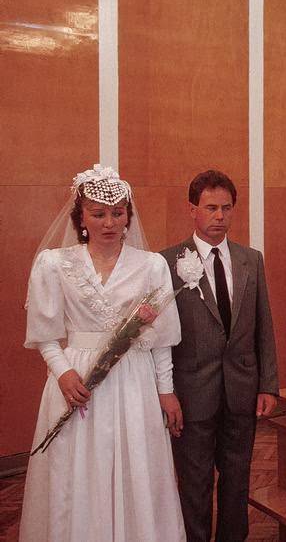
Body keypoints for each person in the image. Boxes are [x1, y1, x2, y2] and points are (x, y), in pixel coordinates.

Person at [20, 164, 186, 541]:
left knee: (135, 466)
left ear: (129, 215)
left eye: (117, 212)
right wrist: (62, 371)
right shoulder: (54, 264)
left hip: (134, 382)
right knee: (77, 468)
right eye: (98, 214)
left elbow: (160, 338)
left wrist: (166, 389)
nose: (109, 222)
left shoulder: (152, 265)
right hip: (75, 379)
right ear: (81, 218)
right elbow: (45, 334)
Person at [161, 169, 278, 542]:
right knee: (194, 485)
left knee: (237, 480)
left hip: (242, 391)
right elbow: (160, 338)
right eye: (210, 208)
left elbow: (264, 326)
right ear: (191, 209)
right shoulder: (166, 263)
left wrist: (268, 385)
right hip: (192, 394)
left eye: (226, 208)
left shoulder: (250, 260)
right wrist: (166, 393)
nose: (219, 217)